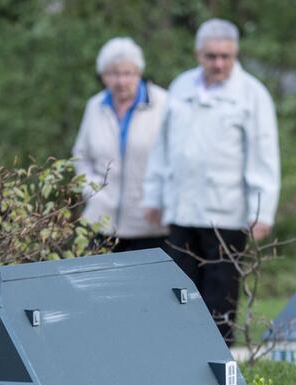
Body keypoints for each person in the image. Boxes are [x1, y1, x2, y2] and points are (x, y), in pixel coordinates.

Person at [143, 18, 280, 342]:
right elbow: (163, 147)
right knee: (178, 293)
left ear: (235, 55)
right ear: (198, 54)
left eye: (225, 57)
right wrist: (154, 195)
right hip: (181, 208)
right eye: (211, 56)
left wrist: (263, 211)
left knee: (220, 296)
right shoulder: (181, 86)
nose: (218, 63)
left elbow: (264, 157)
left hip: (227, 213)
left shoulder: (252, 94)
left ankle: (219, 363)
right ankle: (179, 355)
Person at [73, 37, 168, 252]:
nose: (121, 81)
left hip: (150, 224)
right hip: (101, 222)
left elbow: (176, 159)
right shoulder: (95, 106)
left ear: (139, 73)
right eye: (113, 74)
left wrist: (161, 199)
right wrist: (91, 189)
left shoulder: (163, 105)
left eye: (127, 73)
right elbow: (81, 155)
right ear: (103, 76)